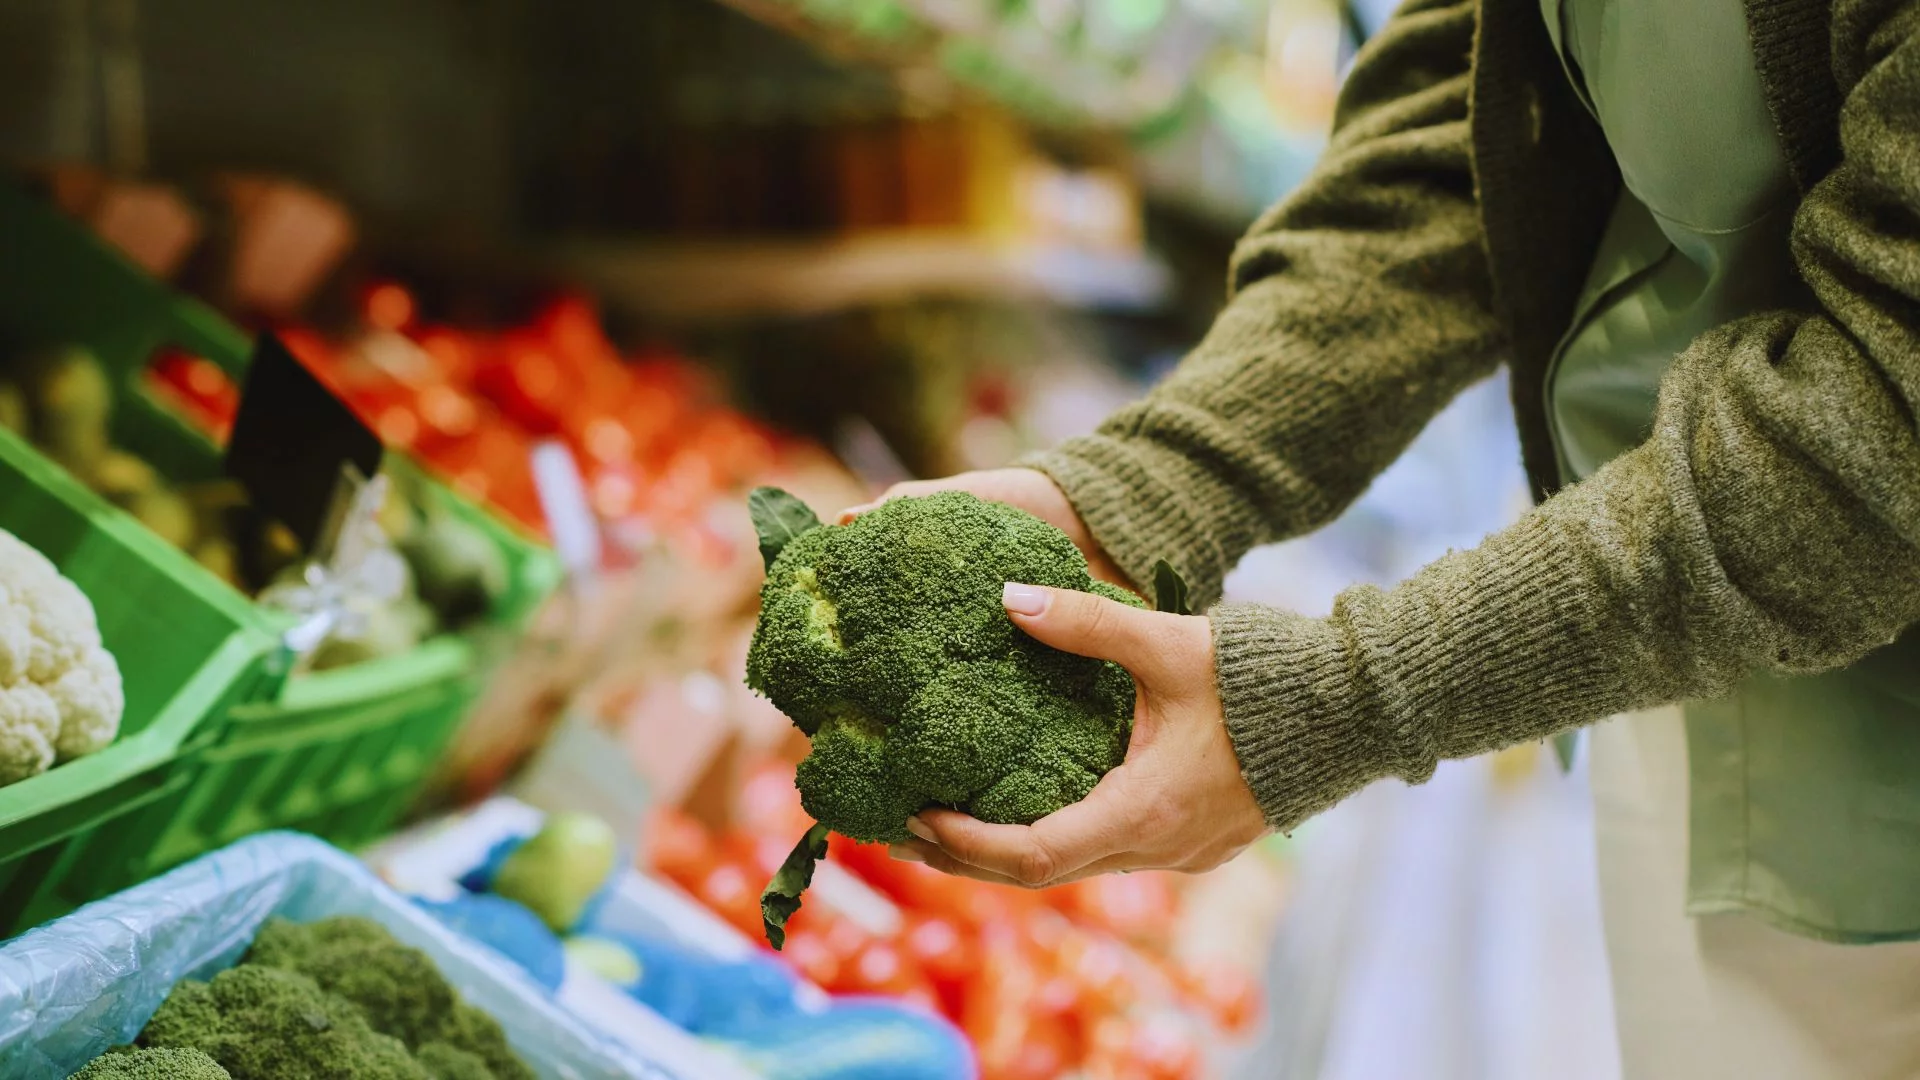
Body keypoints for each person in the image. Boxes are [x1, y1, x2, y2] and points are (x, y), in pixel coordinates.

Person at [841, 0, 1920, 1076]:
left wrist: (1341, 701)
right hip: (1703, 648)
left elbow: (1884, 424)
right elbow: (1472, 109)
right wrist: (1156, 482)